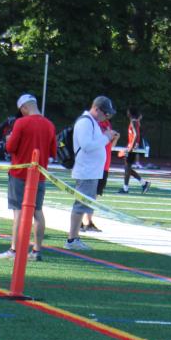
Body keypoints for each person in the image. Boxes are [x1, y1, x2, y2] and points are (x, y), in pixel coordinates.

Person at [0, 94, 58, 262]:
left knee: (18, 212)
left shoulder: (21, 123)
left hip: (19, 173)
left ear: (23, 108)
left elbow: (10, 147)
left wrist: (9, 139)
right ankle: (37, 250)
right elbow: (54, 151)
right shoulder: (49, 124)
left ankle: (14, 249)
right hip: (39, 174)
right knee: (37, 211)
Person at [65, 96, 113, 250]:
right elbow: (86, 146)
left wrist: (105, 137)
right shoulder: (85, 122)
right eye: (105, 113)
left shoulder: (92, 122)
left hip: (91, 171)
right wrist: (106, 138)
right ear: (96, 109)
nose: (106, 116)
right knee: (80, 206)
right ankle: (72, 239)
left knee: (83, 205)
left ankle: (74, 238)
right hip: (86, 171)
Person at [81, 103, 118, 233]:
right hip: (95, 164)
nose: (108, 115)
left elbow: (110, 146)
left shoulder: (107, 124)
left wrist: (114, 138)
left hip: (105, 164)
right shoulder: (94, 123)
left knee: (95, 194)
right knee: (88, 193)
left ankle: (87, 220)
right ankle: (84, 221)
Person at [120, 108, 151, 193]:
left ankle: (125, 188)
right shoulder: (136, 122)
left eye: (128, 112)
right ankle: (144, 183)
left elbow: (136, 135)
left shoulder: (133, 122)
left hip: (132, 148)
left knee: (127, 168)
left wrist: (131, 147)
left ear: (130, 114)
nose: (127, 113)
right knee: (127, 168)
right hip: (133, 147)